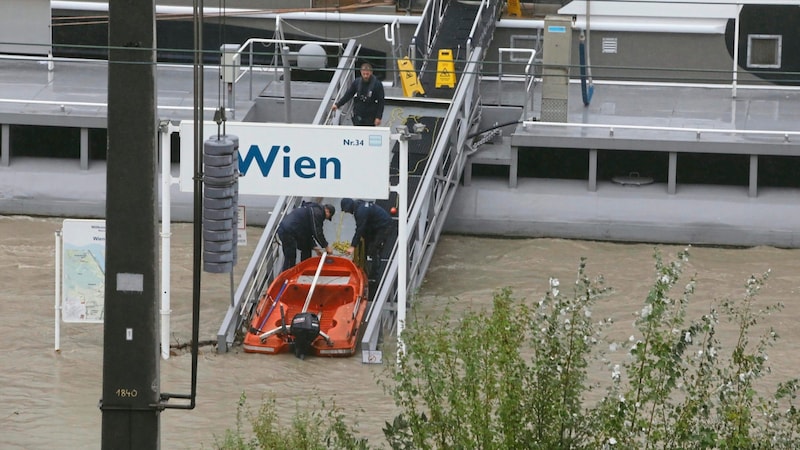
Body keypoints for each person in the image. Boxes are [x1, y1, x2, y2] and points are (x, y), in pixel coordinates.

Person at [340, 198, 393, 278]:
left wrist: (352, 246)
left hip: (384, 226)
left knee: (375, 249)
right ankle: (363, 265)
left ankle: (374, 276)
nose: (348, 213)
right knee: (366, 243)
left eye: (346, 211)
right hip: (374, 225)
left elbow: (360, 229)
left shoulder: (361, 212)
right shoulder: (358, 205)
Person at [277, 201, 335, 272]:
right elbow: (317, 232)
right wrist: (326, 246)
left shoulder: (313, 210)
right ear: (327, 211)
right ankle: (286, 278)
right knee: (290, 257)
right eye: (328, 217)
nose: (325, 219)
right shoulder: (318, 213)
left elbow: (308, 233)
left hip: (292, 230)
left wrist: (315, 248)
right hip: (288, 231)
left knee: (306, 248)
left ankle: (304, 269)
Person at [331, 62, 385, 127]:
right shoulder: (357, 82)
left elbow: (381, 102)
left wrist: (378, 117)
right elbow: (349, 94)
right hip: (358, 112)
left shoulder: (377, 84)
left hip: (370, 114)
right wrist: (338, 104)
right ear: (361, 72)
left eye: (367, 74)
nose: (365, 76)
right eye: (364, 74)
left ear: (371, 72)